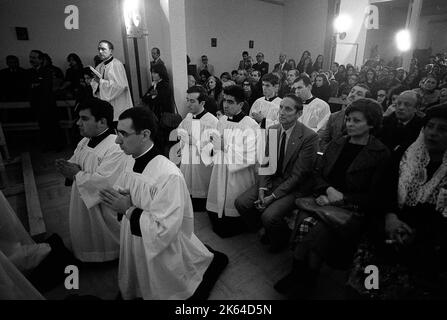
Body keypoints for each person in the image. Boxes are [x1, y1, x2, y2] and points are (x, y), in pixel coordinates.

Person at [99, 107, 228, 300]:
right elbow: (128, 193)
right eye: (118, 133)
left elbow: (165, 228)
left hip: (160, 249)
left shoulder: (168, 175)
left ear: (145, 134)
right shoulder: (130, 160)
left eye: (123, 134)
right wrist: (121, 198)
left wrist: (127, 209)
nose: (117, 140)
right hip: (135, 237)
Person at [275, 98, 389, 298]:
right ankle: (298, 273)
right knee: (304, 220)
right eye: (348, 119)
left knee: (315, 231)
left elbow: (376, 196)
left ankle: (308, 279)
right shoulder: (338, 143)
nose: (349, 124)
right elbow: (317, 173)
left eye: (356, 121)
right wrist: (326, 190)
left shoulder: (380, 153)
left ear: (371, 124)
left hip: (351, 209)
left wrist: (342, 198)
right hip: (323, 200)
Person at [348, 104, 447, 299]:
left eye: (442, 129)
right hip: (388, 223)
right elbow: (383, 190)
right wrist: (391, 217)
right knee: (371, 278)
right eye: (430, 127)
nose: (433, 133)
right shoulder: (404, 154)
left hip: (429, 238)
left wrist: (416, 233)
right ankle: (368, 290)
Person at [235, 94, 318, 252]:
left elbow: (298, 176)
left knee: (269, 216)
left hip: (295, 187)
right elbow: (267, 163)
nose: (282, 112)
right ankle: (263, 228)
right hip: (274, 179)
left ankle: (280, 240)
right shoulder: (274, 130)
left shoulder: (309, 137)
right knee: (241, 203)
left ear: (299, 113)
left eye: (288, 109)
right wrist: (262, 190)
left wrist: (271, 197)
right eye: (281, 107)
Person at [55, 98, 126, 262]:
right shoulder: (85, 141)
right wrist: (66, 167)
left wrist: (76, 174)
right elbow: (75, 164)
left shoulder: (115, 148)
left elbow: (106, 184)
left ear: (102, 122)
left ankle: (109, 255)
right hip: (81, 200)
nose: (78, 123)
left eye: (84, 119)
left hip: (103, 210)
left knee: (102, 238)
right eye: (79, 118)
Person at [206, 85, 259, 238]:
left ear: (241, 104)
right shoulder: (222, 120)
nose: (225, 105)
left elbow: (251, 154)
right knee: (218, 197)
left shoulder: (250, 125)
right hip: (220, 168)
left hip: (238, 173)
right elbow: (216, 142)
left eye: (230, 102)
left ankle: (235, 225)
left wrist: (225, 146)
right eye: (224, 101)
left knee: (232, 199)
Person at [177, 86, 218, 211]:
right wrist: (183, 144)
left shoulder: (212, 121)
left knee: (200, 188)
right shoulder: (189, 117)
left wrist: (194, 142)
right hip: (188, 159)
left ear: (202, 103)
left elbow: (213, 148)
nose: (188, 104)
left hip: (202, 163)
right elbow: (180, 131)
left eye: (192, 101)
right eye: (187, 100)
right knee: (188, 183)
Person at [319, 83, 371, 151]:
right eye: (352, 91)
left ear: (365, 100)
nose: (352, 95)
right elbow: (324, 140)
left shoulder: (366, 121)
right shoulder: (334, 116)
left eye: (359, 94)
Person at [28, 49, 63, 151]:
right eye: (30, 58)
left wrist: (36, 86)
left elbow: (46, 87)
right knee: (43, 127)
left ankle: (57, 146)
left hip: (48, 104)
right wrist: (36, 86)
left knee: (53, 126)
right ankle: (47, 145)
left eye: (34, 58)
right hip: (37, 104)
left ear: (41, 59)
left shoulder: (47, 71)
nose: (31, 60)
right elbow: (29, 87)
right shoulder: (30, 72)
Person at [92, 40, 133, 123]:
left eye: (103, 49)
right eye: (99, 49)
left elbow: (120, 86)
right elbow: (94, 83)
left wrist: (101, 82)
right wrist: (94, 81)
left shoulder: (117, 65)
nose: (100, 51)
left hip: (117, 107)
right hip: (105, 106)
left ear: (111, 51)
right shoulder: (99, 66)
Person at [378, 90, 424, 154]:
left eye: (407, 105)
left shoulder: (421, 128)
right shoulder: (385, 122)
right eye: (399, 103)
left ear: (416, 108)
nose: (401, 107)